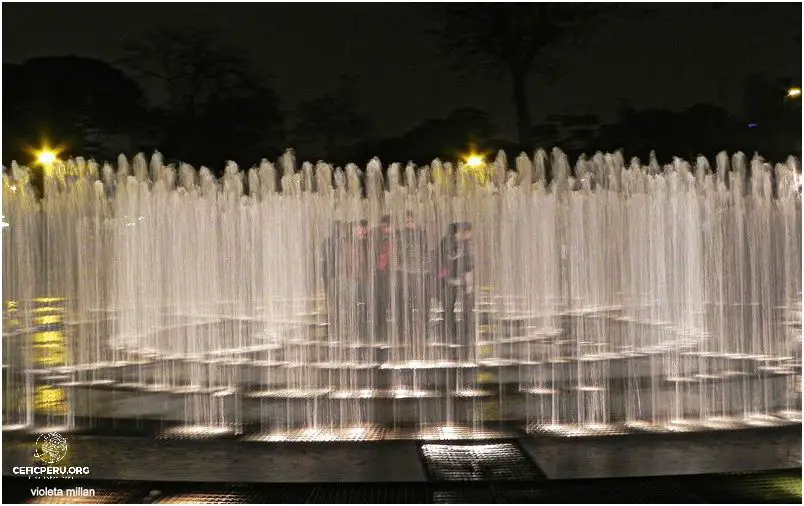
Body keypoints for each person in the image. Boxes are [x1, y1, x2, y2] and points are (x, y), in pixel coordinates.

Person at [437, 222, 475, 358]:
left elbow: (467, 262)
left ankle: (463, 334)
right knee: (449, 308)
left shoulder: (463, 245)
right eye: (459, 232)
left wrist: (467, 280)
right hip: (449, 282)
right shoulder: (445, 244)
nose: (462, 235)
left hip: (460, 281)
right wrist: (445, 278)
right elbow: (440, 262)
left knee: (465, 307)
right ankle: (449, 334)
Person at [392, 211, 430, 341]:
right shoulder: (400, 235)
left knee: (422, 302)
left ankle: (423, 329)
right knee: (405, 302)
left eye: (411, 221)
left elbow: (424, 251)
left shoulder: (422, 234)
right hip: (405, 273)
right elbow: (398, 253)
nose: (410, 224)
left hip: (419, 272)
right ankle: (404, 330)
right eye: (407, 222)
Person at [372, 215, 394, 341]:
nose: (387, 229)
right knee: (380, 301)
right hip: (380, 274)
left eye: (388, 227)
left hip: (389, 274)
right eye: (385, 227)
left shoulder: (394, 237)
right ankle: (380, 329)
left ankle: (384, 329)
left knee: (387, 301)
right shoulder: (377, 238)